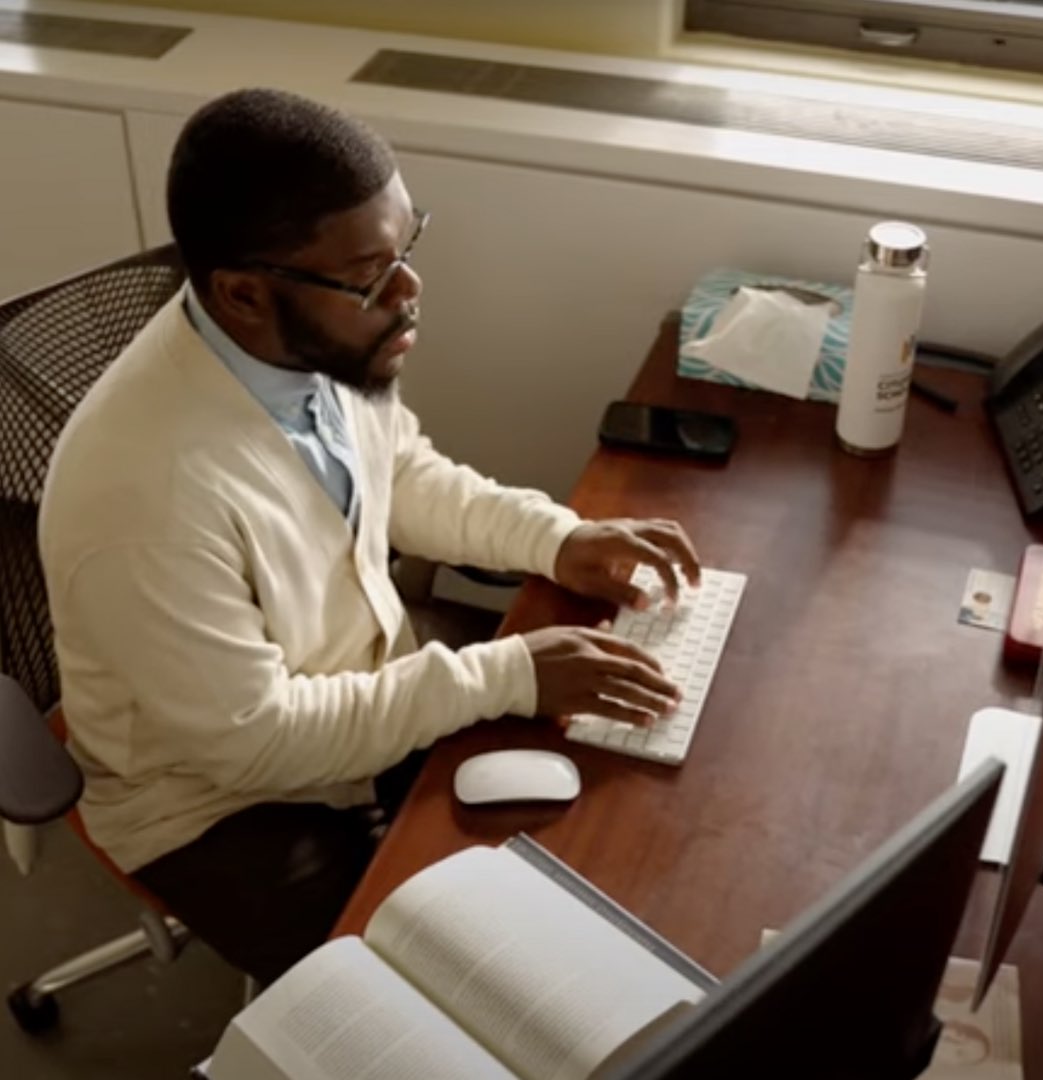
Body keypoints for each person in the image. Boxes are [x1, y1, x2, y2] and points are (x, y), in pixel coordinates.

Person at [39, 87, 700, 984]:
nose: (409, 290)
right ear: (241, 292)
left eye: (407, 247)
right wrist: (500, 674)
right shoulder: (147, 496)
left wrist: (555, 539)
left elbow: (402, 472)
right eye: (370, 273)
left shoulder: (303, 343)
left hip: (355, 696)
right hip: (217, 801)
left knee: (601, 843)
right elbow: (256, 741)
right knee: (454, 986)